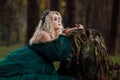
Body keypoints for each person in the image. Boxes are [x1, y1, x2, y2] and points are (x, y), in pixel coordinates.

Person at [0, 10, 76, 80]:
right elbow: (56, 53)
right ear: (49, 22)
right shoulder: (44, 34)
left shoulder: (52, 34)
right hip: (27, 59)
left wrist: (78, 29)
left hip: (38, 62)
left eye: (59, 18)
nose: (59, 21)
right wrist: (63, 36)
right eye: (55, 19)